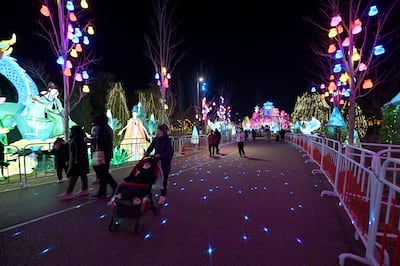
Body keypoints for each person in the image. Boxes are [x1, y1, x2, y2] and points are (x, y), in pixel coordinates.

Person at [144, 124, 173, 205]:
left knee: (163, 178)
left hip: (164, 163)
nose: (157, 131)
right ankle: (147, 195)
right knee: (151, 177)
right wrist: (147, 152)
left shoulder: (167, 140)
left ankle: (162, 196)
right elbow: (151, 146)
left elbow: (169, 152)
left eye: (159, 130)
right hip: (156, 161)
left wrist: (161, 155)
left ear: (162, 131)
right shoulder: (156, 139)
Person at [57, 126, 90, 200]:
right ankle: (84, 189)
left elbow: (77, 150)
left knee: (74, 176)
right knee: (82, 174)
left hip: (77, 160)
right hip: (82, 160)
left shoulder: (76, 139)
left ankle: (68, 193)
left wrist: (76, 160)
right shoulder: (80, 138)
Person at [91, 113, 118, 199]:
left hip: (102, 154)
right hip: (106, 153)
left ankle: (112, 189)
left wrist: (92, 140)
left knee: (103, 173)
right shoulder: (107, 128)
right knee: (103, 173)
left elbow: (101, 141)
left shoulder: (101, 129)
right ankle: (107, 190)